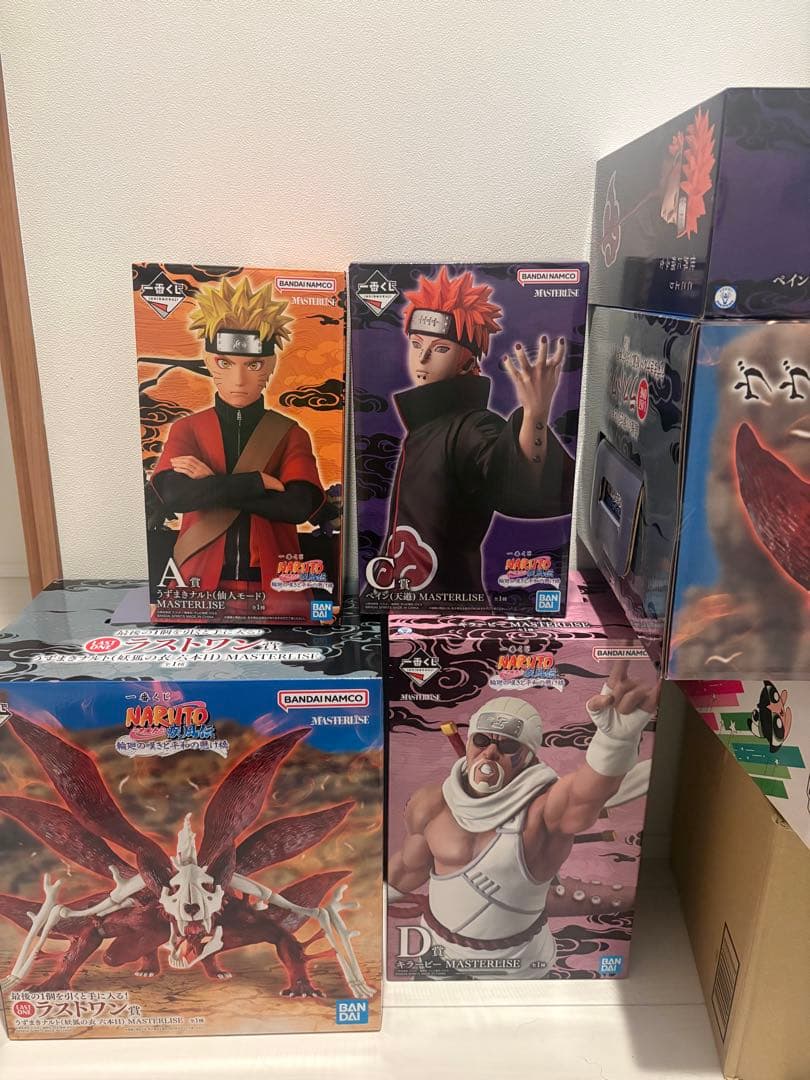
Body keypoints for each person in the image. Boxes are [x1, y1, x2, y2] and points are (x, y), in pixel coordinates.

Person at [388, 661, 658, 978]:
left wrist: (614, 743)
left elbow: (584, 795)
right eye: (482, 740)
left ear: (529, 755)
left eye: (507, 745)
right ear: (469, 741)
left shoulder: (542, 811)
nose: (490, 753)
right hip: (437, 955)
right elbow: (408, 869)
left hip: (518, 967)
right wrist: (363, 905)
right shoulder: (430, 803)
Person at [364, 266, 574, 598]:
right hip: (403, 596)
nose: (423, 358)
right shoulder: (424, 425)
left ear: (467, 360)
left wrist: (534, 416)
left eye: (441, 348)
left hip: (448, 604)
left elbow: (512, 483)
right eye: (416, 344)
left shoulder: (471, 426)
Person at [151, 276, 324, 620]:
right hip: (196, 585)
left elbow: (298, 506)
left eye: (253, 365)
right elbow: (175, 495)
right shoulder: (188, 428)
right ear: (208, 361)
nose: (239, 380)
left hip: (278, 588)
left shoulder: (290, 433)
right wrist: (257, 483)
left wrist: (211, 484)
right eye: (225, 363)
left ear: (270, 366)